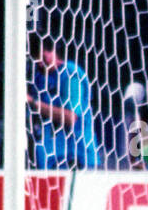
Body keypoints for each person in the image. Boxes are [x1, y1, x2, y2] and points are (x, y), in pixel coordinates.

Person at [29, 38, 100, 168]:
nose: (39, 63)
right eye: (35, 59)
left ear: (54, 51)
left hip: (76, 158)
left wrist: (32, 102)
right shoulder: (40, 77)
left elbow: (70, 117)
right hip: (50, 158)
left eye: (42, 58)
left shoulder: (71, 74)